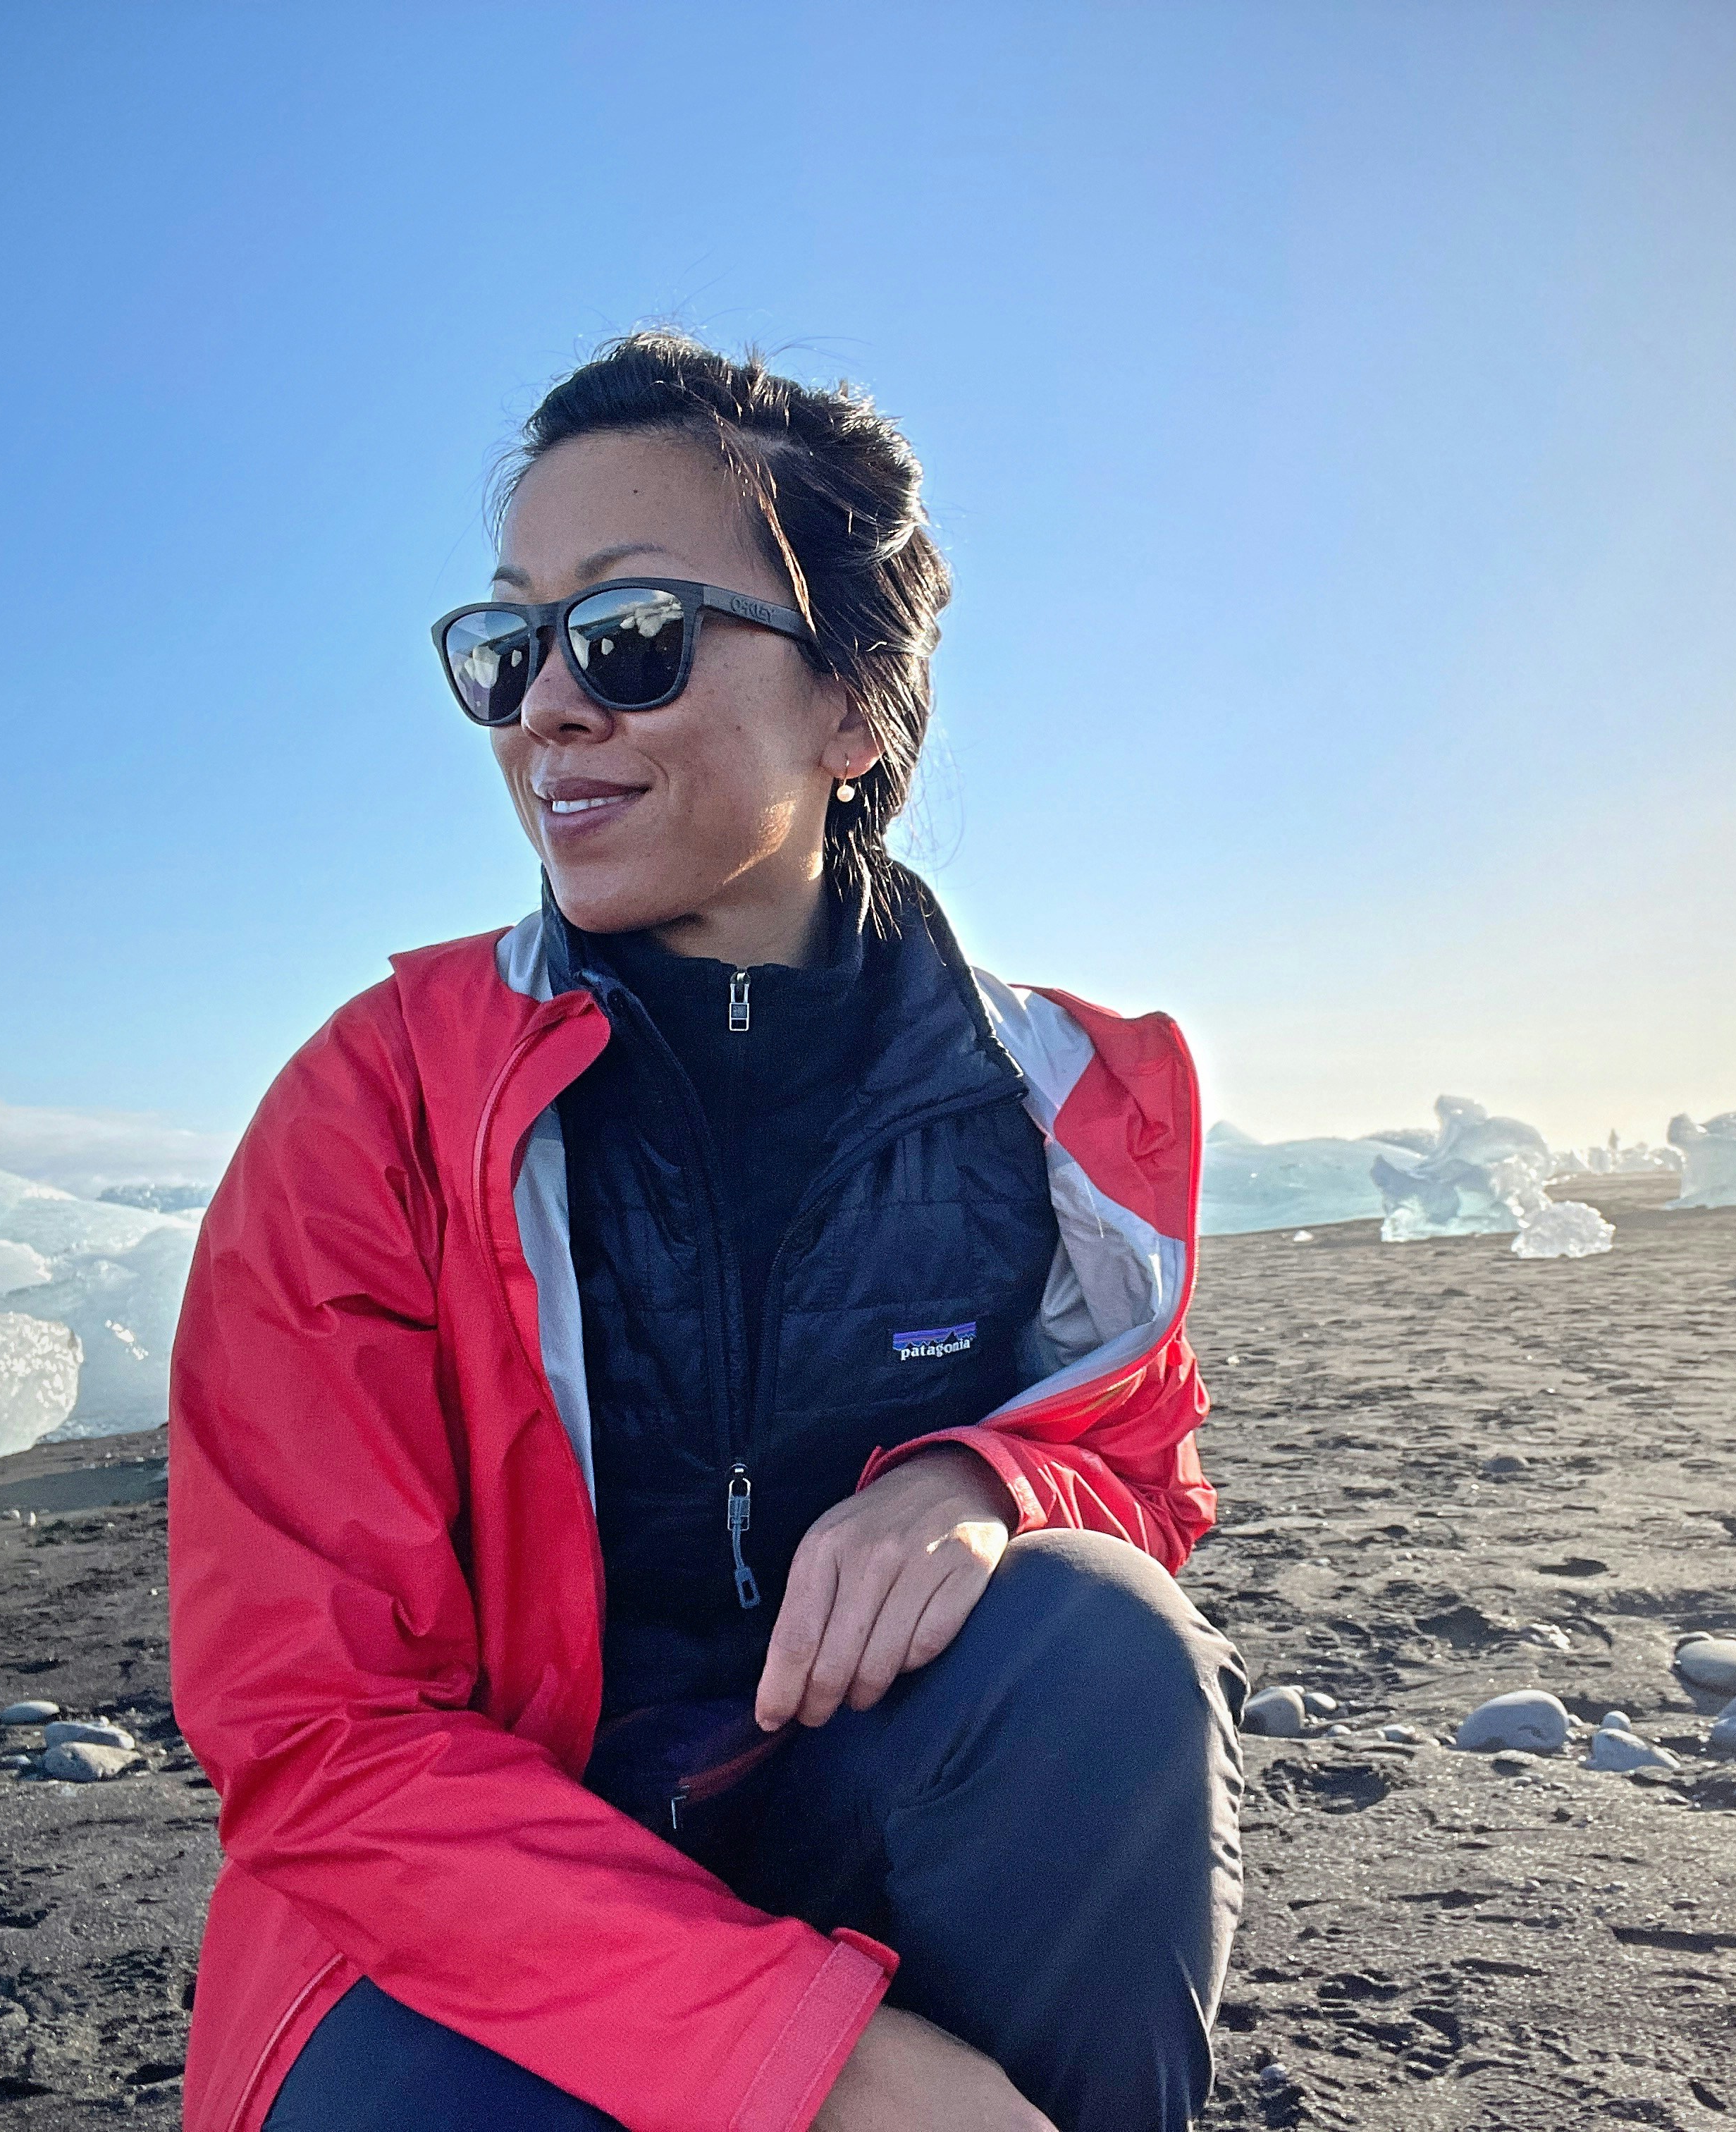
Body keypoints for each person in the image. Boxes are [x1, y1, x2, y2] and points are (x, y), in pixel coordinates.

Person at [168, 331, 1243, 2132]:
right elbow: (318, 1729)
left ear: (853, 711)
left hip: (840, 1811)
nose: (546, 714)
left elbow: (1139, 1459)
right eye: (508, 648)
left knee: (1098, 1651)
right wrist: (809, 2060)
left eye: (629, 637)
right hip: (473, 1906)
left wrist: (983, 1487)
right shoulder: (381, 1108)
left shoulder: (1047, 1103)